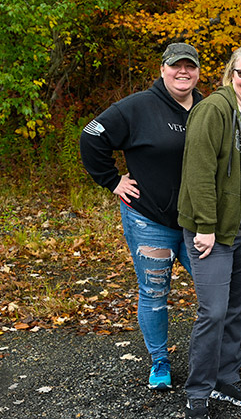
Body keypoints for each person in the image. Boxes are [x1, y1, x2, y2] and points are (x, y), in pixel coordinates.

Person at [80, 43, 203, 390]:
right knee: (154, 292)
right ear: (162, 69)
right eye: (176, 66)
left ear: (197, 72)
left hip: (198, 223)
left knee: (214, 292)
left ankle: (209, 356)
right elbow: (91, 135)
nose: (183, 72)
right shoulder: (137, 107)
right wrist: (112, 180)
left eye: (190, 67)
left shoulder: (207, 107)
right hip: (150, 220)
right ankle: (160, 362)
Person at [177, 47, 241, 419]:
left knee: (237, 309)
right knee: (214, 311)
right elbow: (198, 172)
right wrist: (204, 227)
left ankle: (225, 378)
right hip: (213, 232)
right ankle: (198, 388)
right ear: (230, 75)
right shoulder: (214, 110)